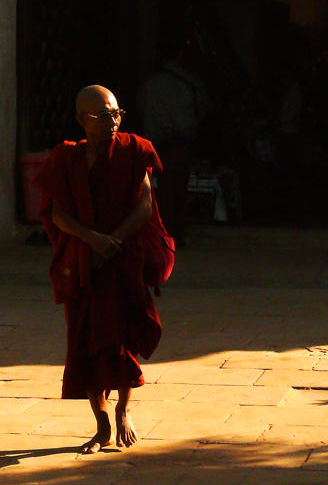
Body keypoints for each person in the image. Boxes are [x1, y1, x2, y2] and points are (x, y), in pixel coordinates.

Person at [34, 85, 163, 453]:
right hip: (84, 261)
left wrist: (114, 241)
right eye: (102, 115)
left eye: (116, 113)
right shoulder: (65, 159)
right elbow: (58, 214)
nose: (112, 122)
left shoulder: (133, 150)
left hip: (121, 257)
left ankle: (123, 409)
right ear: (80, 120)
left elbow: (144, 205)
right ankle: (101, 422)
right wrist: (92, 240)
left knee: (121, 339)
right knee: (86, 342)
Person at [137, 41, 209, 244]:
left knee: (159, 190)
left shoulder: (150, 84)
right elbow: (202, 110)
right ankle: (173, 231)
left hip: (158, 142)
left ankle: (162, 231)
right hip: (182, 142)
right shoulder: (191, 84)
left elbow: (141, 109)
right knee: (177, 189)